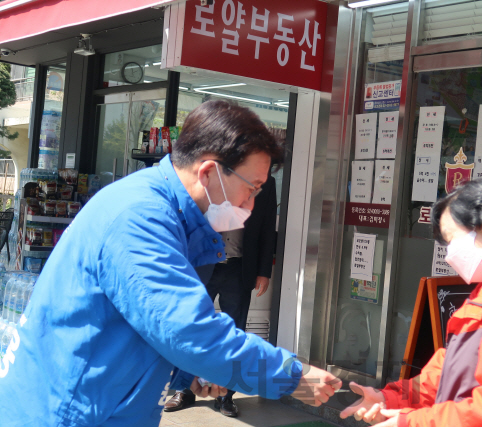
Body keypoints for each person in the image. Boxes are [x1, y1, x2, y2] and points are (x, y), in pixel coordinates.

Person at [0, 100, 341, 427]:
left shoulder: (168, 213)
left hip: (101, 405)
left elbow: (146, 323)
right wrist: (292, 377)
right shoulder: (139, 218)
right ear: (209, 172)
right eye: (252, 189)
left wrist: (185, 373)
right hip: (67, 413)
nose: (250, 205)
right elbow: (189, 330)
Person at [340, 179, 482, 427]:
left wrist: (410, 422)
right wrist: (390, 399)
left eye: (452, 239)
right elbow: (450, 371)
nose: (449, 254)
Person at [164, 174, 278, 416]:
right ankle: (183, 389)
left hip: (239, 267)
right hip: (201, 264)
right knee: (190, 328)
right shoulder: (212, 173)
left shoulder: (266, 183)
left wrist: (263, 271)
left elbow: (268, 228)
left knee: (234, 334)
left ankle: (226, 395)